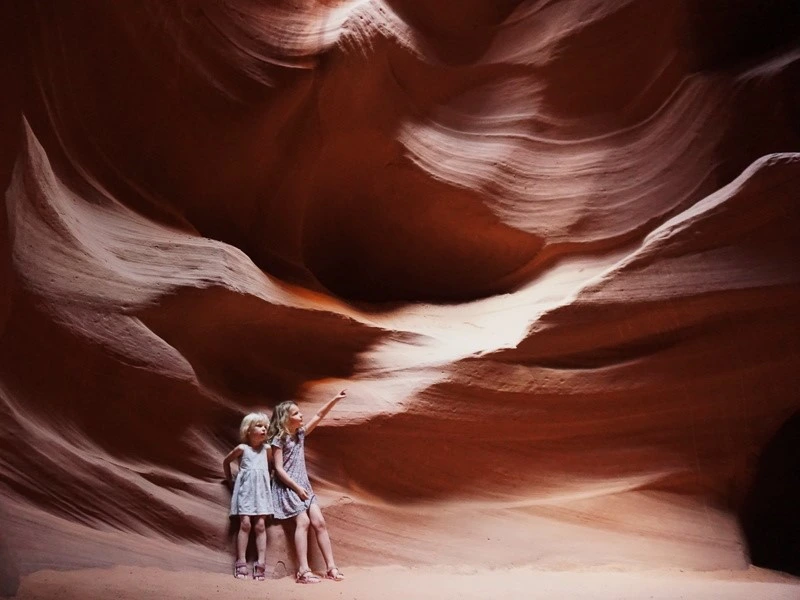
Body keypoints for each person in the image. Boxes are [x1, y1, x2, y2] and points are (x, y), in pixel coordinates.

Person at [269, 390, 347, 583]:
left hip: (304, 486)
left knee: (319, 522)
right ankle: (303, 571)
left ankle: (331, 568)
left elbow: (319, 416)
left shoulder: (300, 435)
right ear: (285, 419)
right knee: (303, 522)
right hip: (288, 487)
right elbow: (278, 469)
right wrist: (296, 488)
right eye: (295, 413)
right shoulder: (279, 439)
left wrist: (334, 399)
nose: (301, 415)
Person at [223, 412, 273, 580]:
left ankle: (261, 562)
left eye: (265, 427)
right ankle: (241, 561)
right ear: (248, 430)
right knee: (245, 524)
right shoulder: (242, 449)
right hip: (245, 491)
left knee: (260, 525)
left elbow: (272, 466)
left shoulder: (267, 449)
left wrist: (268, 481)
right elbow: (226, 461)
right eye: (259, 426)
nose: (264, 429)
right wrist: (229, 480)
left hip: (261, 492)